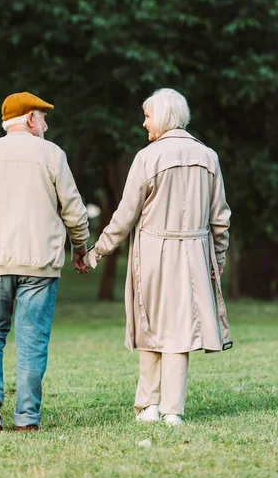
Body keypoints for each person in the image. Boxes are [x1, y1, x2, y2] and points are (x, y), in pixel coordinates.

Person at [81, 88, 232, 425]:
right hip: (194, 252)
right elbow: (220, 218)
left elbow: (124, 217)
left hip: (153, 252)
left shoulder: (148, 157)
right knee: (180, 330)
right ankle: (172, 410)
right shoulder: (209, 157)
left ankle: (148, 405)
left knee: (149, 323)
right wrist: (217, 261)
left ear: (163, 116)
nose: (143, 123)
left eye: (148, 116)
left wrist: (95, 253)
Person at [0, 92, 89, 432]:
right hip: (40, 264)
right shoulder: (52, 154)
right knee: (32, 339)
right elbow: (74, 210)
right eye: (43, 117)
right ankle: (26, 418)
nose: (46, 124)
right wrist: (80, 248)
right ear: (29, 119)